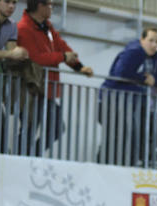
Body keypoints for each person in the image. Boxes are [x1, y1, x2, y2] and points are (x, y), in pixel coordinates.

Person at [16, 0, 93, 153]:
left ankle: (32, 155)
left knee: (57, 128)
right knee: (29, 129)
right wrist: (63, 57)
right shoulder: (23, 28)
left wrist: (79, 67)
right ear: (40, 6)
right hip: (31, 90)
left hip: (45, 91)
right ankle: (19, 158)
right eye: (50, 5)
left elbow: (62, 47)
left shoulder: (48, 27)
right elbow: (35, 58)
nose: (52, 8)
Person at [99, 27, 157, 165]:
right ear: (142, 40)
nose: (154, 45)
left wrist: (154, 79)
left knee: (133, 138)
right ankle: (103, 166)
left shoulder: (156, 57)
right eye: (151, 41)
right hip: (114, 101)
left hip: (134, 103)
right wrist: (143, 79)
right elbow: (121, 72)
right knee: (116, 138)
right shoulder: (133, 52)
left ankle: (128, 166)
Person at [0, 0, 28, 152]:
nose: (11, 6)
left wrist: (20, 55)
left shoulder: (12, 26)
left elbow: (12, 53)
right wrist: (10, 53)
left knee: (0, 134)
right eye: (7, 2)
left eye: (14, 3)